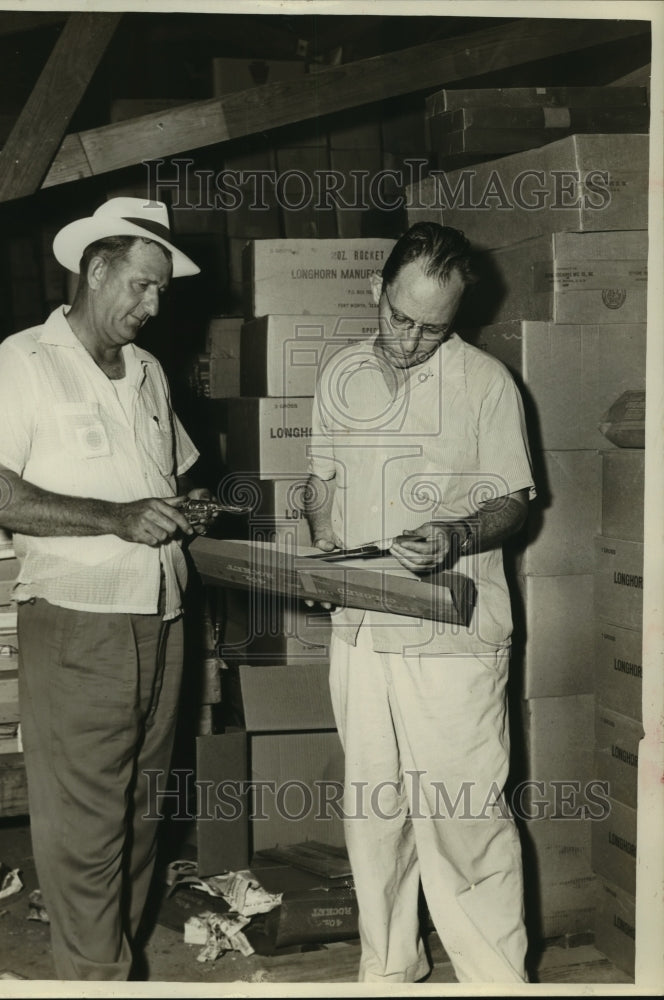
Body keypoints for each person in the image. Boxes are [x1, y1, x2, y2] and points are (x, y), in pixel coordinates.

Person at [0, 197, 212, 981]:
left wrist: (183, 510)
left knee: (141, 820)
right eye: (140, 286)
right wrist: (116, 516)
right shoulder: (25, 361)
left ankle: (112, 973)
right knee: (85, 834)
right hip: (77, 625)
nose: (153, 305)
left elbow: (166, 480)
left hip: (163, 619)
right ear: (95, 270)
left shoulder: (150, 372)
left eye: (162, 291)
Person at [304, 221, 535, 984]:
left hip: (452, 632)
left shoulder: (486, 384)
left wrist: (456, 533)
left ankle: (496, 978)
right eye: (400, 318)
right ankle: (389, 967)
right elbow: (321, 481)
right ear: (376, 291)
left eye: (433, 329)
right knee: (374, 808)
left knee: (464, 813)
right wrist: (320, 536)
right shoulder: (340, 374)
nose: (409, 340)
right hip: (363, 629)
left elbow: (514, 504)